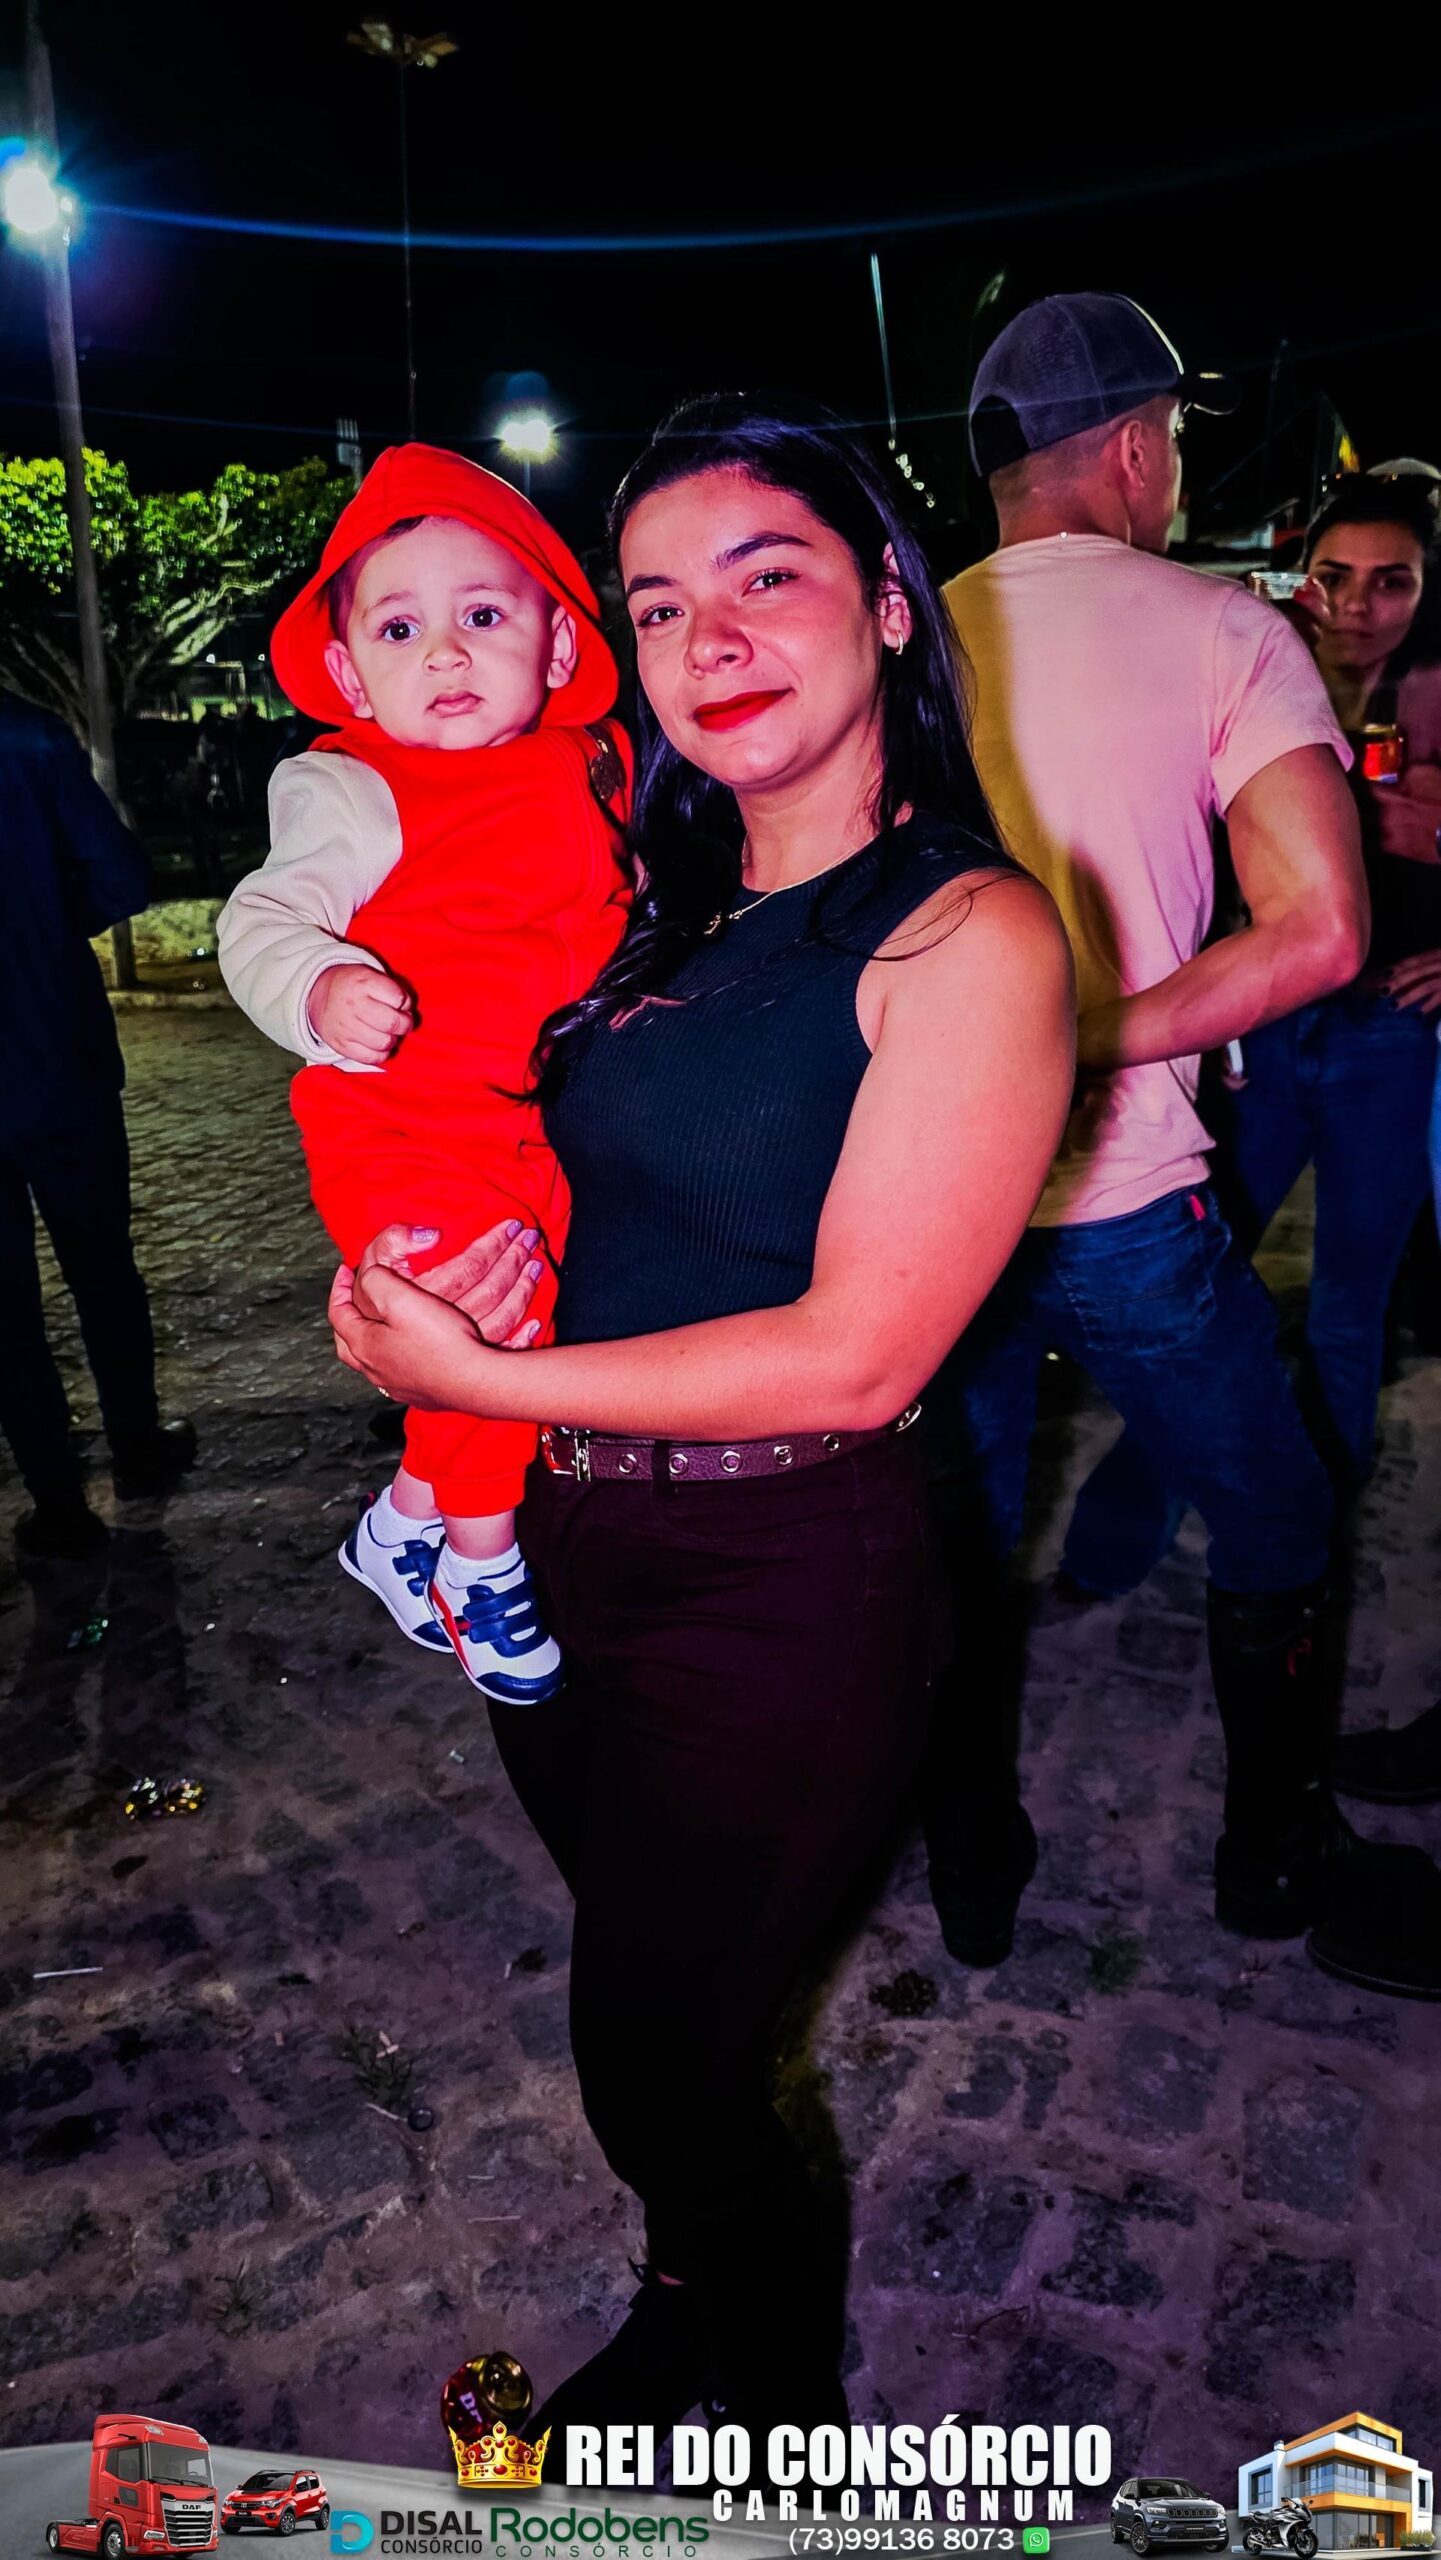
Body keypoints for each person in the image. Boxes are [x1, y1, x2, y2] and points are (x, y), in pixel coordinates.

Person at [327, 394, 1075, 2473]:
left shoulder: (967, 932)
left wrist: (481, 1384)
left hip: (788, 1583)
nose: (707, 634)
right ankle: (692, 2300)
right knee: (672, 1988)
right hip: (563, 1553)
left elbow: (855, 1355)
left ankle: (782, 2427)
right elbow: (499, 1160)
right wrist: (410, 1294)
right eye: (656, 602)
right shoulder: (642, 895)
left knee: (656, 2056)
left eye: (767, 574)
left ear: (891, 605)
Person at [926, 291, 1441, 2003]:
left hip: (927, 1201)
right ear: (1138, 448)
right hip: (1121, 1194)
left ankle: (971, 1864)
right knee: (1279, 1513)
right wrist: (1092, 1035)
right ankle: (1270, 1855)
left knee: (958, 1535)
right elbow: (1318, 930)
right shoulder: (1221, 628)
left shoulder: (901, 629)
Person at [218, 444, 630, 1699]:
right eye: (401, 629)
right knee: (476, 1322)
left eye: (484, 616)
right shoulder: (352, 784)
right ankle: (478, 1563)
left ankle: (401, 1520)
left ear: (557, 646)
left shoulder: (597, 765)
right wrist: (316, 986)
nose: (445, 654)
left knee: (519, 1312)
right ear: (350, 672)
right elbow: (259, 916)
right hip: (396, 1121)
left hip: (529, 1122)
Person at [1065, 468, 1441, 1600]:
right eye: (1335, 576)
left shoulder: (1434, 690)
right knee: (1205, 1297)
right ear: (1302, 577)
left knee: (1346, 1310)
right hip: (1268, 1034)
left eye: (1390, 580)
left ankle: (1305, 1550)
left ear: (1427, 585)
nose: (1358, 604)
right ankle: (1120, 1536)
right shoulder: (1258, 667)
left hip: (1390, 1038)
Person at [0, 690, 196, 1557]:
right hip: (58, 1054)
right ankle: (137, 1450)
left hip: (51, 1057)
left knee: (4, 1308)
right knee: (103, 1268)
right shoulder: (26, 734)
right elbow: (119, 878)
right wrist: (46, 917)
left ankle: (57, 1500)